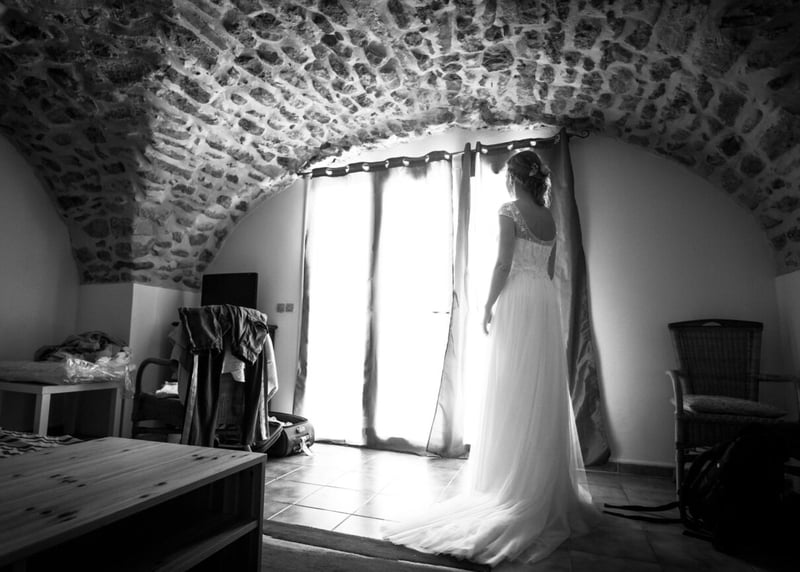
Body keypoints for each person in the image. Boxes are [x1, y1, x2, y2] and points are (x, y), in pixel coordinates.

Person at [383, 150, 599, 567]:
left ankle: (509, 483)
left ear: (514, 178)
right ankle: (538, 479)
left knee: (511, 385)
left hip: (518, 299)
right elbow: (549, 270)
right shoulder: (549, 216)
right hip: (543, 301)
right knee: (538, 388)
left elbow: (503, 263)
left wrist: (486, 306)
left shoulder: (509, 210)